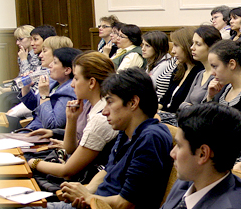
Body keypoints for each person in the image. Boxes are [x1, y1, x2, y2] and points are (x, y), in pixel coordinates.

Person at [55, 68, 174, 209]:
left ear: (132, 103)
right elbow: (107, 171)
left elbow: (126, 203)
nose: (104, 112)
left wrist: (88, 197)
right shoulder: (126, 131)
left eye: (110, 102)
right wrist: (85, 192)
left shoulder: (151, 138)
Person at [28, 52, 118, 188]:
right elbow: (70, 149)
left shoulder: (101, 118)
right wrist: (71, 119)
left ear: (92, 82)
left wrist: (32, 163)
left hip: (84, 184)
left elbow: (67, 172)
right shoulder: (89, 104)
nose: (72, 85)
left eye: (76, 78)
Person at [161, 103, 241, 209]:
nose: (172, 153)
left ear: (203, 154)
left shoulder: (229, 205)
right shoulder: (190, 179)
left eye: (179, 145)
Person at [18, 47, 83, 132]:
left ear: (67, 70)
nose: (50, 65)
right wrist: (26, 87)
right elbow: (34, 106)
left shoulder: (69, 92)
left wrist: (44, 95)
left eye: (55, 62)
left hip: (43, 136)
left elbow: (52, 125)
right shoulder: (55, 83)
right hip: (31, 129)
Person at [205, 40, 241, 121]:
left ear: (232, 64)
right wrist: (210, 97)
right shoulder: (225, 87)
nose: (212, 73)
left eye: (215, 66)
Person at [158, 27, 204, 114]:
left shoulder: (199, 72)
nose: (172, 51)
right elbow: (165, 99)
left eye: (176, 45)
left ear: (187, 46)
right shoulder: (180, 68)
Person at [179, 26, 223, 111]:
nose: (192, 47)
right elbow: (183, 105)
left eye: (198, 44)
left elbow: (205, 110)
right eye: (193, 43)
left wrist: (190, 107)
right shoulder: (200, 74)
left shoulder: (218, 77)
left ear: (211, 47)